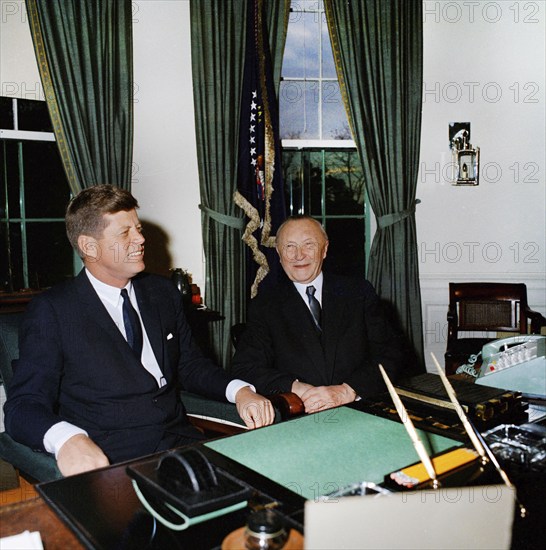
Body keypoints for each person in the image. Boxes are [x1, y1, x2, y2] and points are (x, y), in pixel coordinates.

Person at [4, 185, 274, 477]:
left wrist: (241, 391)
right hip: (112, 459)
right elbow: (23, 407)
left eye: (139, 228)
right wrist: (67, 439)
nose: (141, 239)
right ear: (89, 246)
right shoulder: (52, 311)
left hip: (181, 445)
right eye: (125, 233)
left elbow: (191, 366)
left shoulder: (162, 293)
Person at [230, 215, 409, 414]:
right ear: (279, 255)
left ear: (324, 250)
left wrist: (348, 391)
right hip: (299, 416)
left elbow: (391, 354)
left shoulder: (358, 292)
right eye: (289, 247)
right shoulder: (265, 305)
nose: (299, 255)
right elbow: (245, 367)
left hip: (361, 408)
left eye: (309, 245)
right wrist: (294, 387)